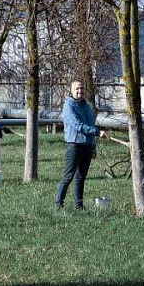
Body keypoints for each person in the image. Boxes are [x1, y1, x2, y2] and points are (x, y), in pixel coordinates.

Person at [55, 80, 100, 210]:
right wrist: (97, 132)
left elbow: (90, 124)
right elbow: (78, 126)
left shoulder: (86, 105)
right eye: (77, 89)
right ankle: (58, 205)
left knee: (81, 177)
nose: (80, 91)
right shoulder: (68, 106)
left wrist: (93, 146)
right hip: (74, 145)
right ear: (72, 90)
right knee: (68, 176)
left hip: (87, 146)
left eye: (82, 88)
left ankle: (79, 206)